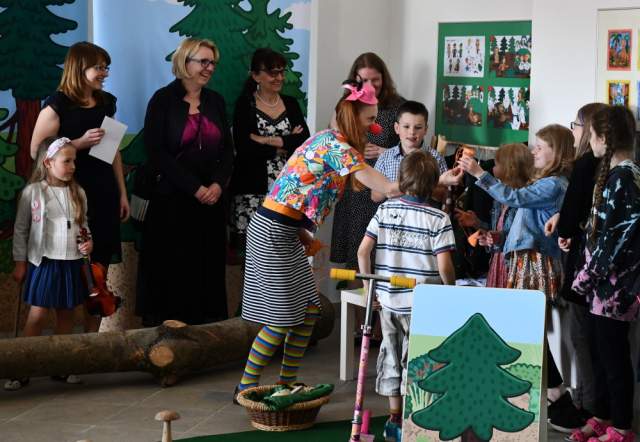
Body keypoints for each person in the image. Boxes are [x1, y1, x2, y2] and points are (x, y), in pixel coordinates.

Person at [234, 80, 463, 400]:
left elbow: (292, 191)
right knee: (281, 319)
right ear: (353, 117)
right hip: (272, 231)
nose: (374, 127)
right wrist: (438, 178)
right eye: (369, 119)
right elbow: (388, 188)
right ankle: (245, 387)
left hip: (287, 231)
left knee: (309, 312)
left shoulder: (335, 143)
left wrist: (302, 234)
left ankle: (285, 384)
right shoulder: (336, 146)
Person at [459, 125, 576, 428]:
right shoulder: (544, 183)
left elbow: (514, 197)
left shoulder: (554, 184)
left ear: (557, 153)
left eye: (540, 147)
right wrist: (497, 240)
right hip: (525, 261)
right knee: (527, 331)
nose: (533, 151)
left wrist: (478, 173)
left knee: (528, 331)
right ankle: (552, 395)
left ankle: (556, 395)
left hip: (535, 263)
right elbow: (522, 229)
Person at [29, 41, 129, 333]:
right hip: (67, 200)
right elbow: (37, 151)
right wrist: (78, 143)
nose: (104, 73)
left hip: (104, 194)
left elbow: (112, 151)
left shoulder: (106, 102)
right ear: (79, 67)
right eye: (99, 67)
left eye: (106, 67)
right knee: (70, 279)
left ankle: (91, 347)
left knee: (98, 278)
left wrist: (122, 192)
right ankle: (63, 349)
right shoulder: (57, 104)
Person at [358, 150, 456, 441]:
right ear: (433, 185)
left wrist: (370, 290)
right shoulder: (438, 218)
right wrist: (450, 290)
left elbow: (363, 252)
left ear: (401, 179)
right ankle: (414, 420)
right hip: (422, 304)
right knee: (418, 359)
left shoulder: (385, 209)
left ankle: (394, 419)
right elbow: (444, 266)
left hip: (388, 300)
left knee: (390, 355)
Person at [135, 38, 234, 326]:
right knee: (171, 270)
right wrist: (195, 188)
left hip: (210, 205)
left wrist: (217, 185)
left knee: (206, 270)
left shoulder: (216, 101)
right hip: (171, 202)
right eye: (203, 61)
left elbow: (228, 151)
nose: (209, 68)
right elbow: (156, 152)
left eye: (212, 62)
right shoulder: (162, 100)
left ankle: (204, 335)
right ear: (184, 62)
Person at [568, 106, 640, 442]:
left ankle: (622, 427)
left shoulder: (624, 177)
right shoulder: (615, 175)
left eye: (592, 134)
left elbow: (615, 240)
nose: (588, 140)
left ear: (602, 138)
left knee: (614, 361)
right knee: (600, 355)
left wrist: (584, 278)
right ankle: (603, 415)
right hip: (602, 289)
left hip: (615, 290)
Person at [5, 138, 92, 390]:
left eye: (74, 161)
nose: (73, 166)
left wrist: (89, 243)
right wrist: (20, 262)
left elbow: (84, 225)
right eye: (67, 161)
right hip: (44, 262)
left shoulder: (78, 193)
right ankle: (21, 368)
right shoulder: (34, 192)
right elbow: (21, 229)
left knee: (66, 315)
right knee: (38, 315)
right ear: (48, 163)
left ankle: (61, 366)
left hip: (71, 262)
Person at [544, 103, 608, 433]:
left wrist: (566, 226)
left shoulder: (586, 165)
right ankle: (596, 408)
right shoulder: (615, 166)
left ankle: (586, 409)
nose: (574, 130)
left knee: (582, 340)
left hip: (585, 270)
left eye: (577, 124)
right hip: (603, 274)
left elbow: (571, 219)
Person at [229, 48, 310, 260]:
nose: (279, 78)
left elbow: (303, 143)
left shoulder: (291, 103)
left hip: (286, 191)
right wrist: (286, 142)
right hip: (252, 192)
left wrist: (265, 139)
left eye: (282, 72)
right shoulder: (245, 104)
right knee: (253, 257)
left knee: (284, 254)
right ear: (256, 76)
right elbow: (245, 148)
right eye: (273, 72)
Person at [330, 52, 405, 276]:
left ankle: (373, 295)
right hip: (354, 186)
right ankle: (358, 295)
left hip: (380, 187)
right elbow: (337, 140)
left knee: (379, 256)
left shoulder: (398, 106)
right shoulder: (346, 108)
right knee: (355, 256)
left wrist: (386, 152)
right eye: (364, 80)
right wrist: (353, 150)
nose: (370, 86)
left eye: (375, 80)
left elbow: (410, 148)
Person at [456, 143, 533, 288]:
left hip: (512, 269)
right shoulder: (498, 200)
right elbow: (495, 230)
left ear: (510, 169)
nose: (492, 168)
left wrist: (497, 238)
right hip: (496, 265)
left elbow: (520, 238)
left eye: (496, 164)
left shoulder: (523, 202)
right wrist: (477, 223)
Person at [372, 100, 448, 205]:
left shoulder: (436, 158)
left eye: (418, 127)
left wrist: (417, 187)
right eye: (406, 126)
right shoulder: (385, 157)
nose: (412, 132)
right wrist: (391, 189)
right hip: (393, 214)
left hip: (424, 214)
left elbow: (443, 196)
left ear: (425, 130)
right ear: (397, 128)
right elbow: (375, 196)